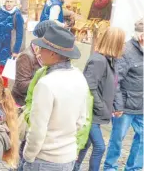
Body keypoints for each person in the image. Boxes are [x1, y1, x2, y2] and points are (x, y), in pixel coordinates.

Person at [22, 25, 89, 171]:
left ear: (53, 53)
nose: (38, 53)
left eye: (42, 49)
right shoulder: (79, 77)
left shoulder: (46, 83)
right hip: (68, 157)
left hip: (45, 158)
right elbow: (81, 120)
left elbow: (37, 129)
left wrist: (28, 156)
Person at [73, 27, 126, 171]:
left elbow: (112, 86)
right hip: (91, 114)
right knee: (99, 147)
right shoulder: (99, 60)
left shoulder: (110, 60)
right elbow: (89, 88)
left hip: (96, 113)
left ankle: (74, 168)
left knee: (84, 146)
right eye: (122, 42)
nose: (124, 46)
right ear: (115, 43)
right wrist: (102, 108)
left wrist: (115, 106)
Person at [104, 18, 144, 171]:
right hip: (125, 106)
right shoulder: (125, 51)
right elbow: (116, 82)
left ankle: (133, 168)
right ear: (141, 36)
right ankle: (110, 167)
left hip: (141, 105)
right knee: (117, 139)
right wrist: (118, 105)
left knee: (142, 140)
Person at [12, 20, 56, 106]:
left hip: (35, 100)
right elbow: (21, 85)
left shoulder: (48, 54)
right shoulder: (27, 56)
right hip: (21, 102)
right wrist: (43, 79)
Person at [0, 0, 24, 87]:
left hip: (8, 47)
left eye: (11, 1)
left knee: (3, 74)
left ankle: (3, 93)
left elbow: (20, 35)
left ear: (15, 3)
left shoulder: (17, 15)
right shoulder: (0, 10)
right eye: (7, 1)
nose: (8, 3)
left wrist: (16, 50)